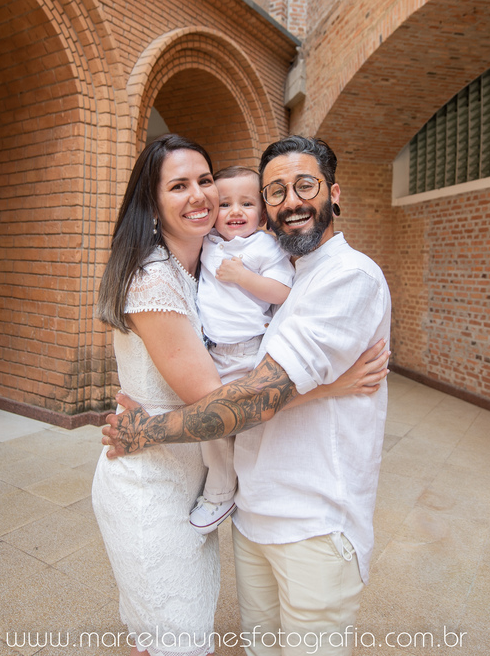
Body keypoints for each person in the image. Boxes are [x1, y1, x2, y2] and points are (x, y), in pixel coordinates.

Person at [92, 134, 388, 656]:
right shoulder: (181, 272)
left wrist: (148, 429)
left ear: (334, 193)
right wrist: (330, 386)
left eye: (305, 186)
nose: (291, 202)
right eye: (276, 191)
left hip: (310, 520)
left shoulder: (345, 276)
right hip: (233, 505)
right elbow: (232, 391)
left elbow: (250, 397)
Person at [191, 166, 293, 535]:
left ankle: (237, 493)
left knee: (249, 426)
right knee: (212, 422)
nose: (235, 211)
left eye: (246, 204)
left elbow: (282, 292)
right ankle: (222, 490)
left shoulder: (265, 246)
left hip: (248, 352)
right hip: (211, 352)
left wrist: (243, 277)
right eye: (225, 204)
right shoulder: (207, 242)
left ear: (262, 215)